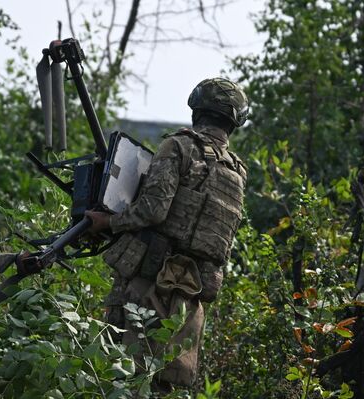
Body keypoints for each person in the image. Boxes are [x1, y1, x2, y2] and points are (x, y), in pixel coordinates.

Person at [85, 77, 248, 391]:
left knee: (120, 376)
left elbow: (153, 210)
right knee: (163, 386)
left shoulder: (179, 145)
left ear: (197, 110)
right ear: (233, 122)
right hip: (189, 296)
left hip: (147, 286)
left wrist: (106, 222)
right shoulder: (237, 171)